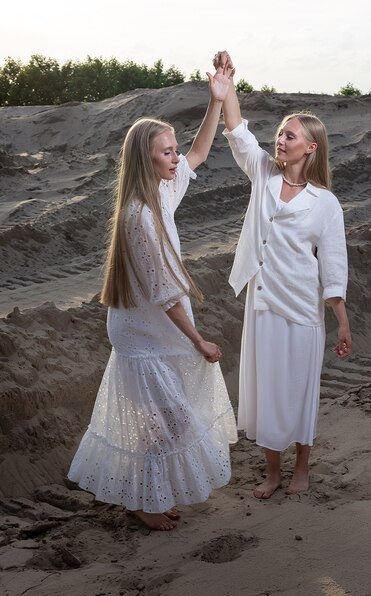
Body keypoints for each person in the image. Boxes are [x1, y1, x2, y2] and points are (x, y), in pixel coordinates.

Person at [68, 63, 237, 531]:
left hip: (156, 325)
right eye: (167, 152)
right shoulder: (139, 217)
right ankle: (142, 500)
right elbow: (165, 294)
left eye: (173, 150)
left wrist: (217, 99)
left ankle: (147, 495)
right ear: (147, 159)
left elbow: (200, 151)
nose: (176, 158)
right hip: (144, 332)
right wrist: (199, 340)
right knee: (175, 421)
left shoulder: (163, 192)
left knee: (163, 421)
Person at [213, 51, 352, 498]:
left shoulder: (325, 203)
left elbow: (333, 262)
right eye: (279, 134)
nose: (280, 140)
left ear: (310, 147)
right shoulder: (263, 176)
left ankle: (301, 468)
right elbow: (238, 133)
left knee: (299, 389)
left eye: (289, 136)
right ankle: (272, 473)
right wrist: (227, 87)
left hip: (303, 305)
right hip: (265, 301)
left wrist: (341, 317)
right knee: (267, 390)